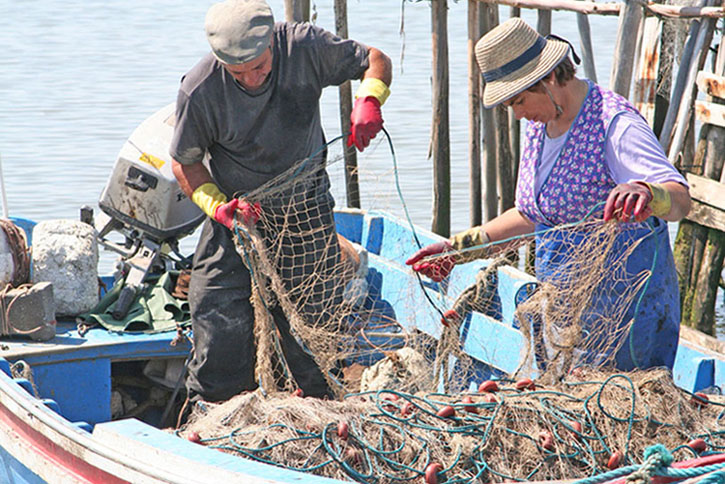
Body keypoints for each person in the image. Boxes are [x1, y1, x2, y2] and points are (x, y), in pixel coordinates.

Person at [406, 18, 690, 371]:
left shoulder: (613, 125)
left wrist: (648, 192)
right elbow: (532, 215)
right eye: (511, 105)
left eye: (520, 100)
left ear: (551, 78)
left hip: (627, 314)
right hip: (566, 313)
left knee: (618, 410)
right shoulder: (542, 125)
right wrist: (459, 248)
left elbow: (680, 200)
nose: (519, 114)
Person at [170, 0, 392, 402]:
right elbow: (184, 163)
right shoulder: (199, 90)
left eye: (259, 66)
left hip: (305, 212)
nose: (252, 79)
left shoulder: (304, 47)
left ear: (272, 40)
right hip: (237, 219)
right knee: (217, 323)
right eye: (239, 73)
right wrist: (219, 207)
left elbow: (375, 59)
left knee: (313, 337)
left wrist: (370, 99)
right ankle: (214, 415)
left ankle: (317, 411)